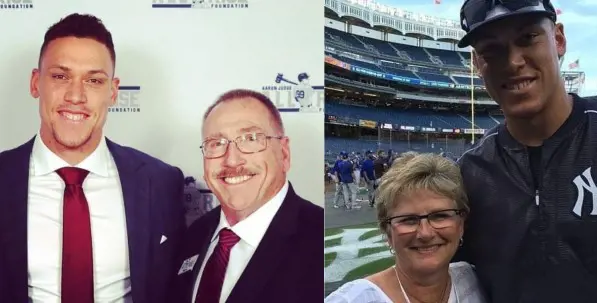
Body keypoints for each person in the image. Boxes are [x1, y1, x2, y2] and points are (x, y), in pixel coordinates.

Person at [455, 0, 597, 302]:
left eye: (527, 38)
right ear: (477, 64)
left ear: (558, 39)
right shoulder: (470, 173)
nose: (513, 61)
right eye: (492, 50)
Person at [0, 13, 186, 303]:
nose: (76, 95)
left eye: (94, 81)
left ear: (113, 92)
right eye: (60, 76)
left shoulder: (160, 182)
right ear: (36, 83)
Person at [168, 89, 323, 303]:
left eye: (251, 138)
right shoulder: (196, 233)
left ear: (284, 154)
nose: (232, 161)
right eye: (216, 143)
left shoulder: (317, 237)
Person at [325, 152, 486, 303]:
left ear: (461, 224)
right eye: (409, 220)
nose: (425, 233)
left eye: (440, 216)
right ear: (387, 231)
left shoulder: (478, 282)